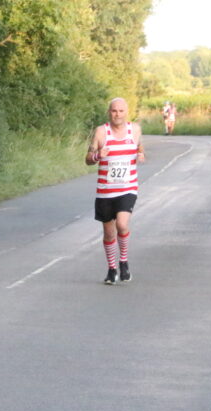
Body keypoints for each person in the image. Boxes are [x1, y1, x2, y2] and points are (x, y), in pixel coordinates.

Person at [86, 97, 145, 285]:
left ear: (126, 112)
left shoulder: (134, 130)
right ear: (109, 112)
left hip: (127, 188)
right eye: (113, 111)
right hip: (105, 191)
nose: (117, 114)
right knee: (109, 233)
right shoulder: (101, 132)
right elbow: (87, 158)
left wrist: (141, 153)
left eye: (120, 111)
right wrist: (96, 155)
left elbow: (139, 145)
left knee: (122, 224)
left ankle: (124, 261)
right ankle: (112, 269)